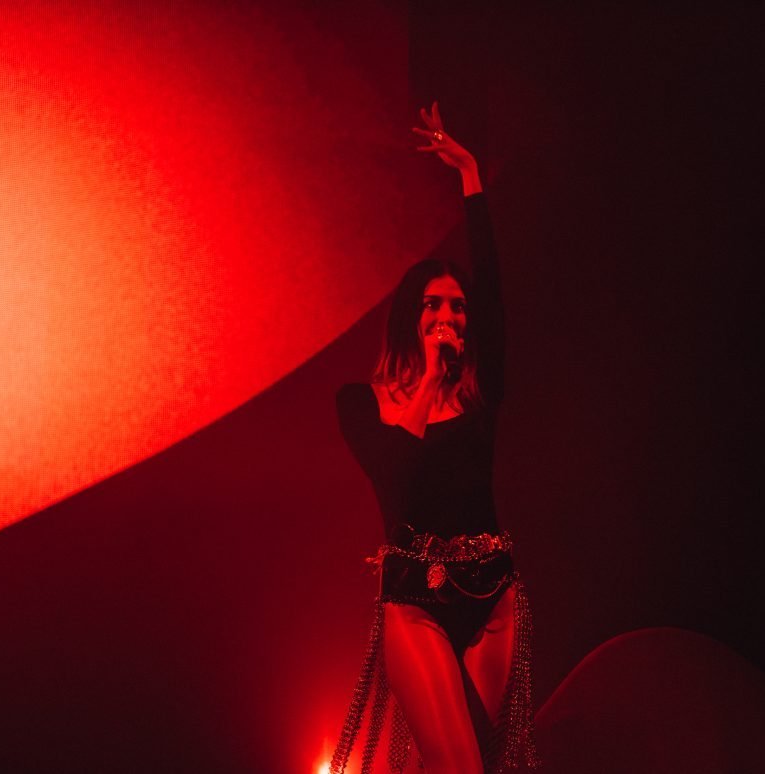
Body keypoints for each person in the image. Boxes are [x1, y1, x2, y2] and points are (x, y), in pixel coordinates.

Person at [330, 103, 539, 774]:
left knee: (471, 763)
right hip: (416, 603)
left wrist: (470, 175)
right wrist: (426, 380)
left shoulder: (480, 392)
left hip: (492, 597)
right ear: (410, 316)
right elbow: (396, 475)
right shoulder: (361, 401)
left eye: (458, 307)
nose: (449, 314)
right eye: (433, 304)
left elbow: (496, 292)